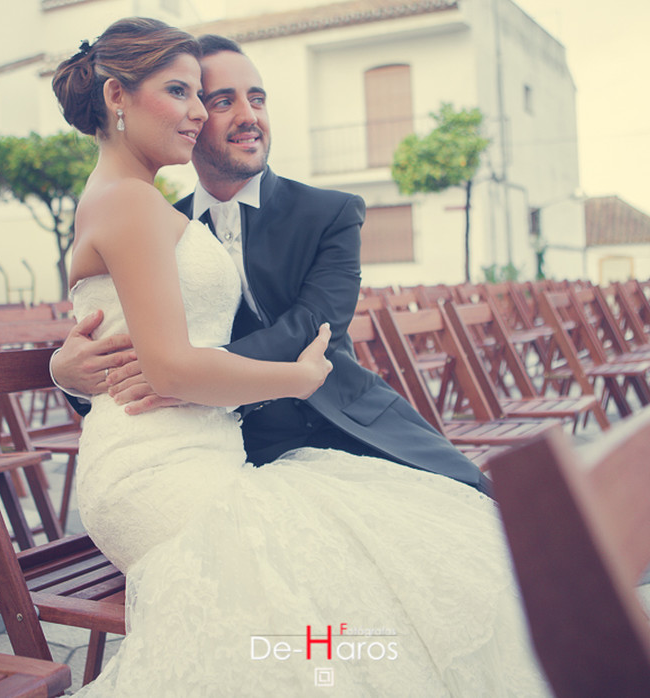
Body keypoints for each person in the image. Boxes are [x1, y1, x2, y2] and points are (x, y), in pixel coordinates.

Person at [52, 17, 548, 696]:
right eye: (199, 95)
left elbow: (307, 327)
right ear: (118, 97)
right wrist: (75, 370)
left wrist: (208, 369)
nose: (214, 112)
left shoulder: (326, 212)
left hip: (314, 429)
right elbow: (130, 351)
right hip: (185, 458)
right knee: (338, 601)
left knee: (439, 551)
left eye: (244, 97)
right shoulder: (144, 206)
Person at [49, 33, 493, 495]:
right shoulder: (158, 222)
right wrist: (64, 372)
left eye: (257, 98)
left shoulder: (331, 212)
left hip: (348, 423)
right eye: (220, 100)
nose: (249, 117)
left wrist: (185, 375)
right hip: (238, 449)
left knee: (487, 510)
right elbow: (114, 347)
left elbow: (311, 329)